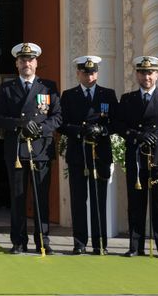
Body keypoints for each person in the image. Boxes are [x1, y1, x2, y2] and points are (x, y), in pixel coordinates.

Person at [0, 43, 62, 255]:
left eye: (30, 60)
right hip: (16, 150)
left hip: (40, 149)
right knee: (18, 198)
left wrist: (40, 128)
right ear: (17, 63)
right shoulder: (7, 88)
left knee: (41, 198)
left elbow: (58, 116)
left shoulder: (48, 87)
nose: (27, 63)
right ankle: (18, 241)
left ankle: (43, 240)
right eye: (23, 60)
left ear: (36, 63)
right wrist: (19, 124)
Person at [116, 56, 158, 259]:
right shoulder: (128, 99)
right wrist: (137, 135)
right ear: (136, 74)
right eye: (142, 72)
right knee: (136, 204)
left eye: (150, 72)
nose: (147, 76)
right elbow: (119, 124)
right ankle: (135, 246)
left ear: (157, 75)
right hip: (136, 156)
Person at [59, 55, 118, 255]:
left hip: (99, 153)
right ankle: (79, 242)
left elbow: (116, 122)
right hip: (78, 154)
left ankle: (100, 244)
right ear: (78, 73)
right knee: (78, 200)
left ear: (97, 73)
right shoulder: (68, 95)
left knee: (98, 200)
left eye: (93, 72)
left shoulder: (107, 94)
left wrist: (102, 130)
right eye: (85, 72)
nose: (89, 76)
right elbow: (61, 124)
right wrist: (79, 130)